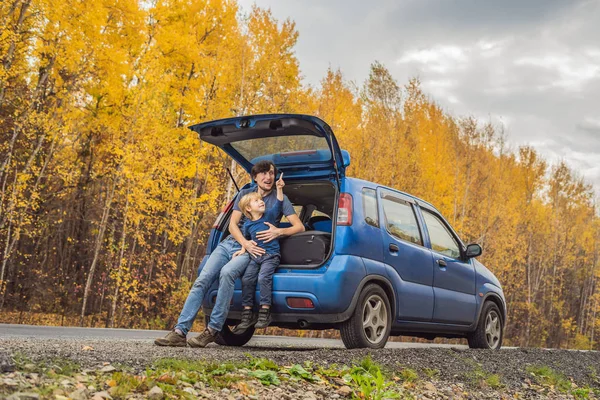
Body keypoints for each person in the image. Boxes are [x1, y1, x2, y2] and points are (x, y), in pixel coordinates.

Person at [154, 160, 304, 348]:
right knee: (203, 279)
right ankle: (179, 332)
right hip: (233, 244)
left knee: (227, 274)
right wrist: (244, 243)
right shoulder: (244, 194)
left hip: (254, 249)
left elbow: (299, 226)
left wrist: (278, 232)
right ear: (255, 177)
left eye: (271, 173)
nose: (268, 177)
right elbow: (233, 225)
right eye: (264, 173)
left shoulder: (280, 199)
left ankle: (212, 330)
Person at [233, 173, 285, 332]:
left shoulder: (269, 215)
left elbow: (279, 205)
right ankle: (247, 312)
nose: (261, 201)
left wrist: (279, 188)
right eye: (256, 201)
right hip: (255, 258)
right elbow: (246, 239)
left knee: (263, 277)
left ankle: (264, 311)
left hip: (271, 256)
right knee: (247, 279)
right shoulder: (247, 225)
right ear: (248, 208)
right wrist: (242, 249)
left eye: (261, 200)